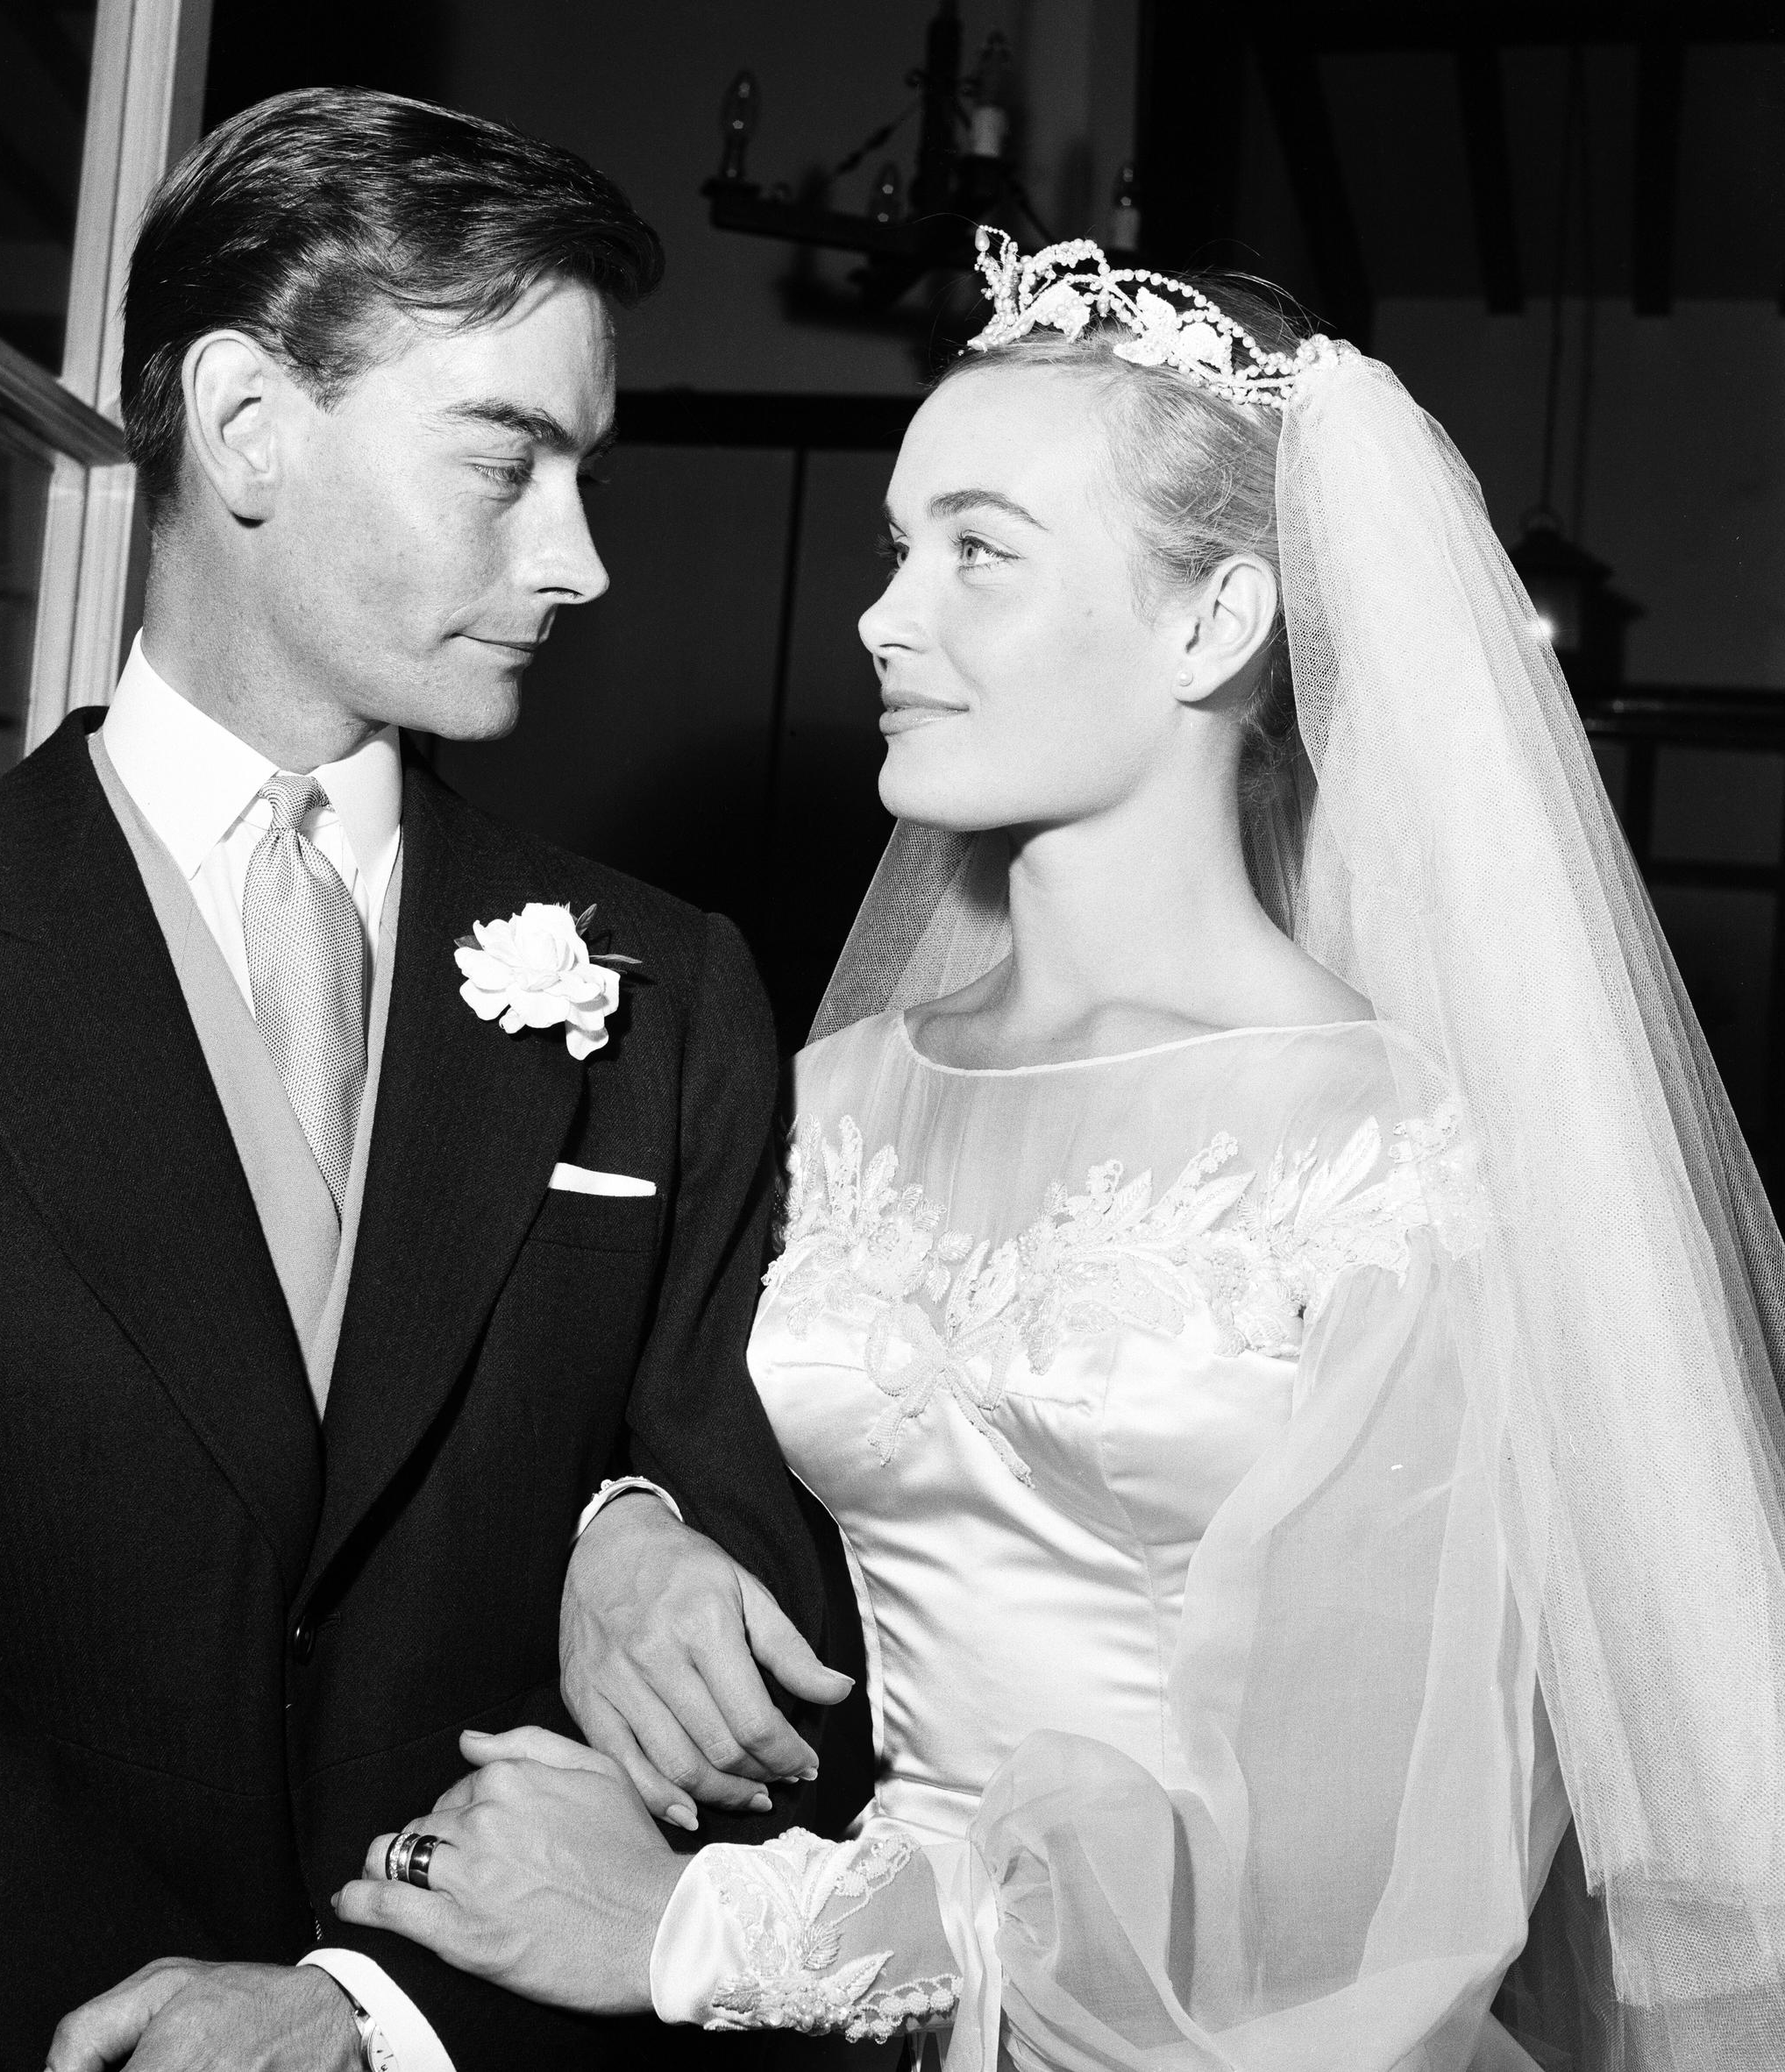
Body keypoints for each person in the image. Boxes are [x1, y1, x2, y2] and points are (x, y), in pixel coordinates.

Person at [329, 231, 1785, 2068]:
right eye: (894, 544)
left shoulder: (1381, 1145)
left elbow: (1331, 1913)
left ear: (1213, 621)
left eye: (979, 551)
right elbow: (636, 1448)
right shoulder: (836, 1087)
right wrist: (624, 1529)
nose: (883, 614)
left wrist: (700, 1930)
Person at [0, 89, 851, 2072]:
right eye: (509, 462)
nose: (579, 561)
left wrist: (373, 2022)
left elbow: (763, 1587)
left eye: (587, 474)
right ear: (243, 426)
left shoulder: (673, 991)